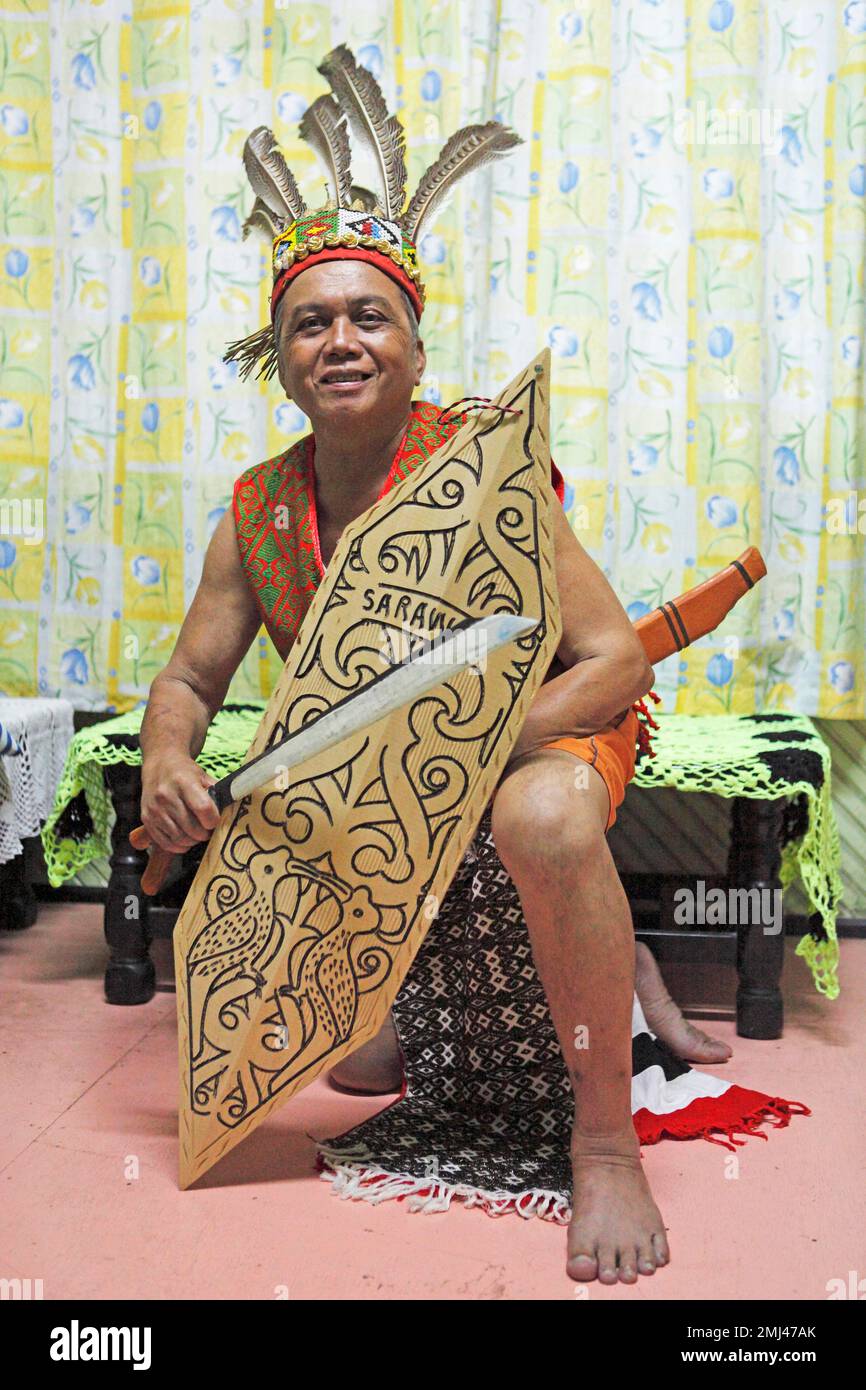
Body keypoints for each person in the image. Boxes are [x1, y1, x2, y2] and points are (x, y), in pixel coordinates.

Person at [138, 46, 731, 1286]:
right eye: (311, 322)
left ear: (412, 343)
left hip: (548, 726)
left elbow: (615, 658)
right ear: (280, 354)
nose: (339, 341)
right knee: (350, 1057)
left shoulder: (482, 466)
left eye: (369, 317)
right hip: (375, 769)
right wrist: (167, 754)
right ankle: (528, 988)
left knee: (546, 814)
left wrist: (460, 753)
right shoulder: (256, 512)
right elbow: (191, 680)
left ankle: (605, 1136)